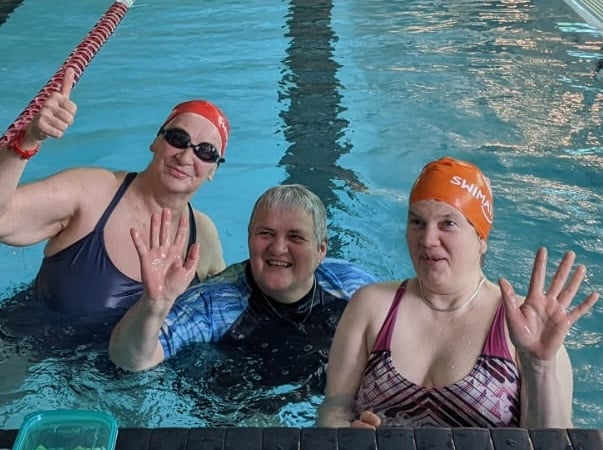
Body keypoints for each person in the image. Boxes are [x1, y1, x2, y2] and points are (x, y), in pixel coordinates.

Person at [317, 156, 600, 429]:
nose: (427, 240)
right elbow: (334, 409)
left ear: (481, 237)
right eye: (417, 222)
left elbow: (555, 444)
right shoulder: (371, 306)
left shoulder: (525, 325)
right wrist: (347, 434)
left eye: (447, 223)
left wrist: (539, 365)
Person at [0, 68, 229, 318]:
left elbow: (224, 311)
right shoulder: (94, 193)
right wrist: (27, 142)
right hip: (22, 347)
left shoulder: (203, 236)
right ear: (156, 142)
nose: (186, 157)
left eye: (206, 152)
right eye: (177, 138)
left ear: (213, 170)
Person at [108, 184, 377, 379]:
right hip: (237, 405)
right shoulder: (214, 304)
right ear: (249, 238)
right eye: (266, 233)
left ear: (321, 250)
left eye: (295, 237)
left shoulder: (351, 286)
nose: (278, 248)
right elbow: (133, 361)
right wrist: (155, 304)